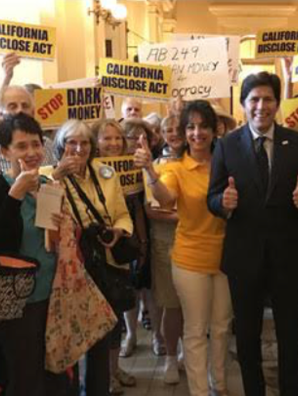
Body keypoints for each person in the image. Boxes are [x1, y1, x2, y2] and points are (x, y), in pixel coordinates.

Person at [208, 71, 298, 396]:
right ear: (243, 104)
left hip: (289, 258)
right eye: (254, 99)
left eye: (267, 99)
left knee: (290, 335)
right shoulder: (227, 146)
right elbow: (212, 196)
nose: (261, 106)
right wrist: (222, 203)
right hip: (244, 259)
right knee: (246, 334)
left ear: (277, 102)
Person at [137, 99, 231, 396]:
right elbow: (164, 199)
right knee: (195, 330)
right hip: (190, 260)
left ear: (215, 130)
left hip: (228, 259)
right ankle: (200, 391)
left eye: (203, 126)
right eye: (190, 127)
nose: (197, 133)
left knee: (220, 328)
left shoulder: (228, 163)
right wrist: (151, 173)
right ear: (183, 132)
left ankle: (220, 385)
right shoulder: (175, 168)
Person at [0, 113, 72, 396]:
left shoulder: (46, 186)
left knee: (56, 370)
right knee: (24, 375)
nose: (30, 152)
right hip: (17, 300)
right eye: (21, 146)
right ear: (5, 151)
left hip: (52, 294)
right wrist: (14, 194)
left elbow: (51, 240)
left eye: (35, 144)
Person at [49, 119, 134, 396]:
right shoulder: (46, 176)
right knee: (72, 339)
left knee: (101, 335)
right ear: (61, 145)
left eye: (84, 142)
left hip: (104, 263)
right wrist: (57, 177)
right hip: (69, 270)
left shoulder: (106, 173)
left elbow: (122, 212)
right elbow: (43, 220)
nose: (78, 148)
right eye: (71, 142)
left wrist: (119, 231)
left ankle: (99, 388)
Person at [91, 119, 139, 393]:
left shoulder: (128, 166)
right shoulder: (90, 171)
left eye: (117, 138)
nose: (113, 143)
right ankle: (103, 375)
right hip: (97, 254)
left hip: (121, 249)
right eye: (106, 138)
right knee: (103, 318)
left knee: (117, 314)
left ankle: (114, 369)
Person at [144, 114, 186, 384]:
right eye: (167, 129)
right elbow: (153, 211)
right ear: (161, 134)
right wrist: (191, 215)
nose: (173, 133)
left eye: (177, 128)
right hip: (165, 243)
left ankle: (190, 353)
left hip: (199, 242)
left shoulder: (203, 161)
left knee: (197, 306)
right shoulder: (153, 166)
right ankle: (171, 357)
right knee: (172, 304)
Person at [120, 118, 164, 358]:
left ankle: (158, 335)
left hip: (149, 227)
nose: (138, 142)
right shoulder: (110, 166)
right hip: (123, 229)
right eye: (132, 137)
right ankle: (131, 334)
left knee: (150, 287)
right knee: (129, 288)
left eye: (143, 138)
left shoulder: (154, 164)